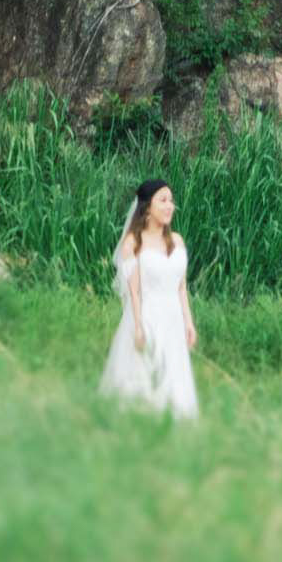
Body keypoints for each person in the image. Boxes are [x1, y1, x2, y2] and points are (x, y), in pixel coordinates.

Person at [97, 178, 200, 422]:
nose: (169, 206)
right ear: (147, 207)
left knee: (173, 370)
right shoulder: (134, 242)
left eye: (171, 200)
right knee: (142, 371)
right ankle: (140, 420)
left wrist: (188, 322)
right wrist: (138, 326)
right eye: (162, 200)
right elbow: (133, 292)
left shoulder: (177, 241)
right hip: (147, 314)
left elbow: (181, 288)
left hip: (173, 317)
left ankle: (174, 418)